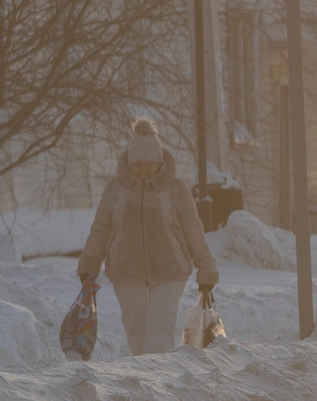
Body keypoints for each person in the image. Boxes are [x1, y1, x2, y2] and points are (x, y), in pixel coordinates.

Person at [77, 118, 219, 356]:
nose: (142, 170)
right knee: (136, 331)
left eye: (148, 164)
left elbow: (194, 231)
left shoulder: (176, 189)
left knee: (158, 329)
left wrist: (206, 268)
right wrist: (90, 263)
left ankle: (159, 381)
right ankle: (144, 380)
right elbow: (101, 229)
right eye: (137, 164)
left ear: (160, 163)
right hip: (126, 271)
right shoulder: (115, 189)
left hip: (170, 271)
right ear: (130, 162)